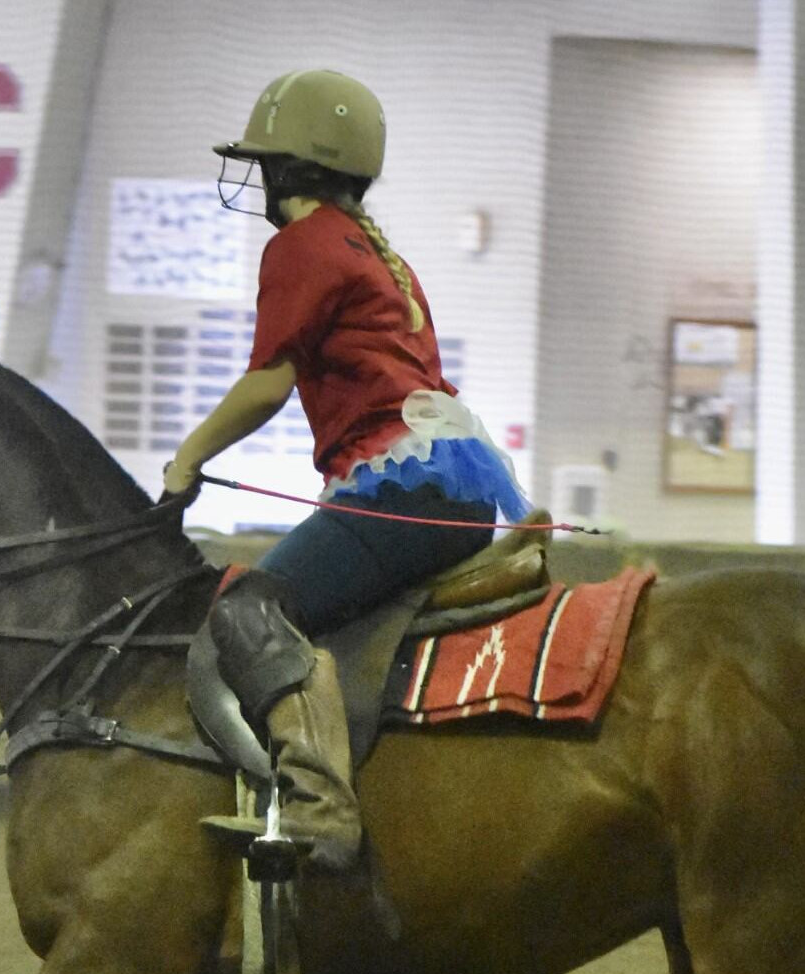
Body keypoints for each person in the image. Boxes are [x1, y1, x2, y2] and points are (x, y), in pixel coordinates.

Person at [161, 68, 530, 871]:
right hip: (452, 483)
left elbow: (268, 382)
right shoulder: (375, 251)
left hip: (401, 486)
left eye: (266, 162)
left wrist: (186, 461)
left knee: (251, 609)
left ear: (295, 169)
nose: (257, 178)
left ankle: (322, 807)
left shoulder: (302, 245)